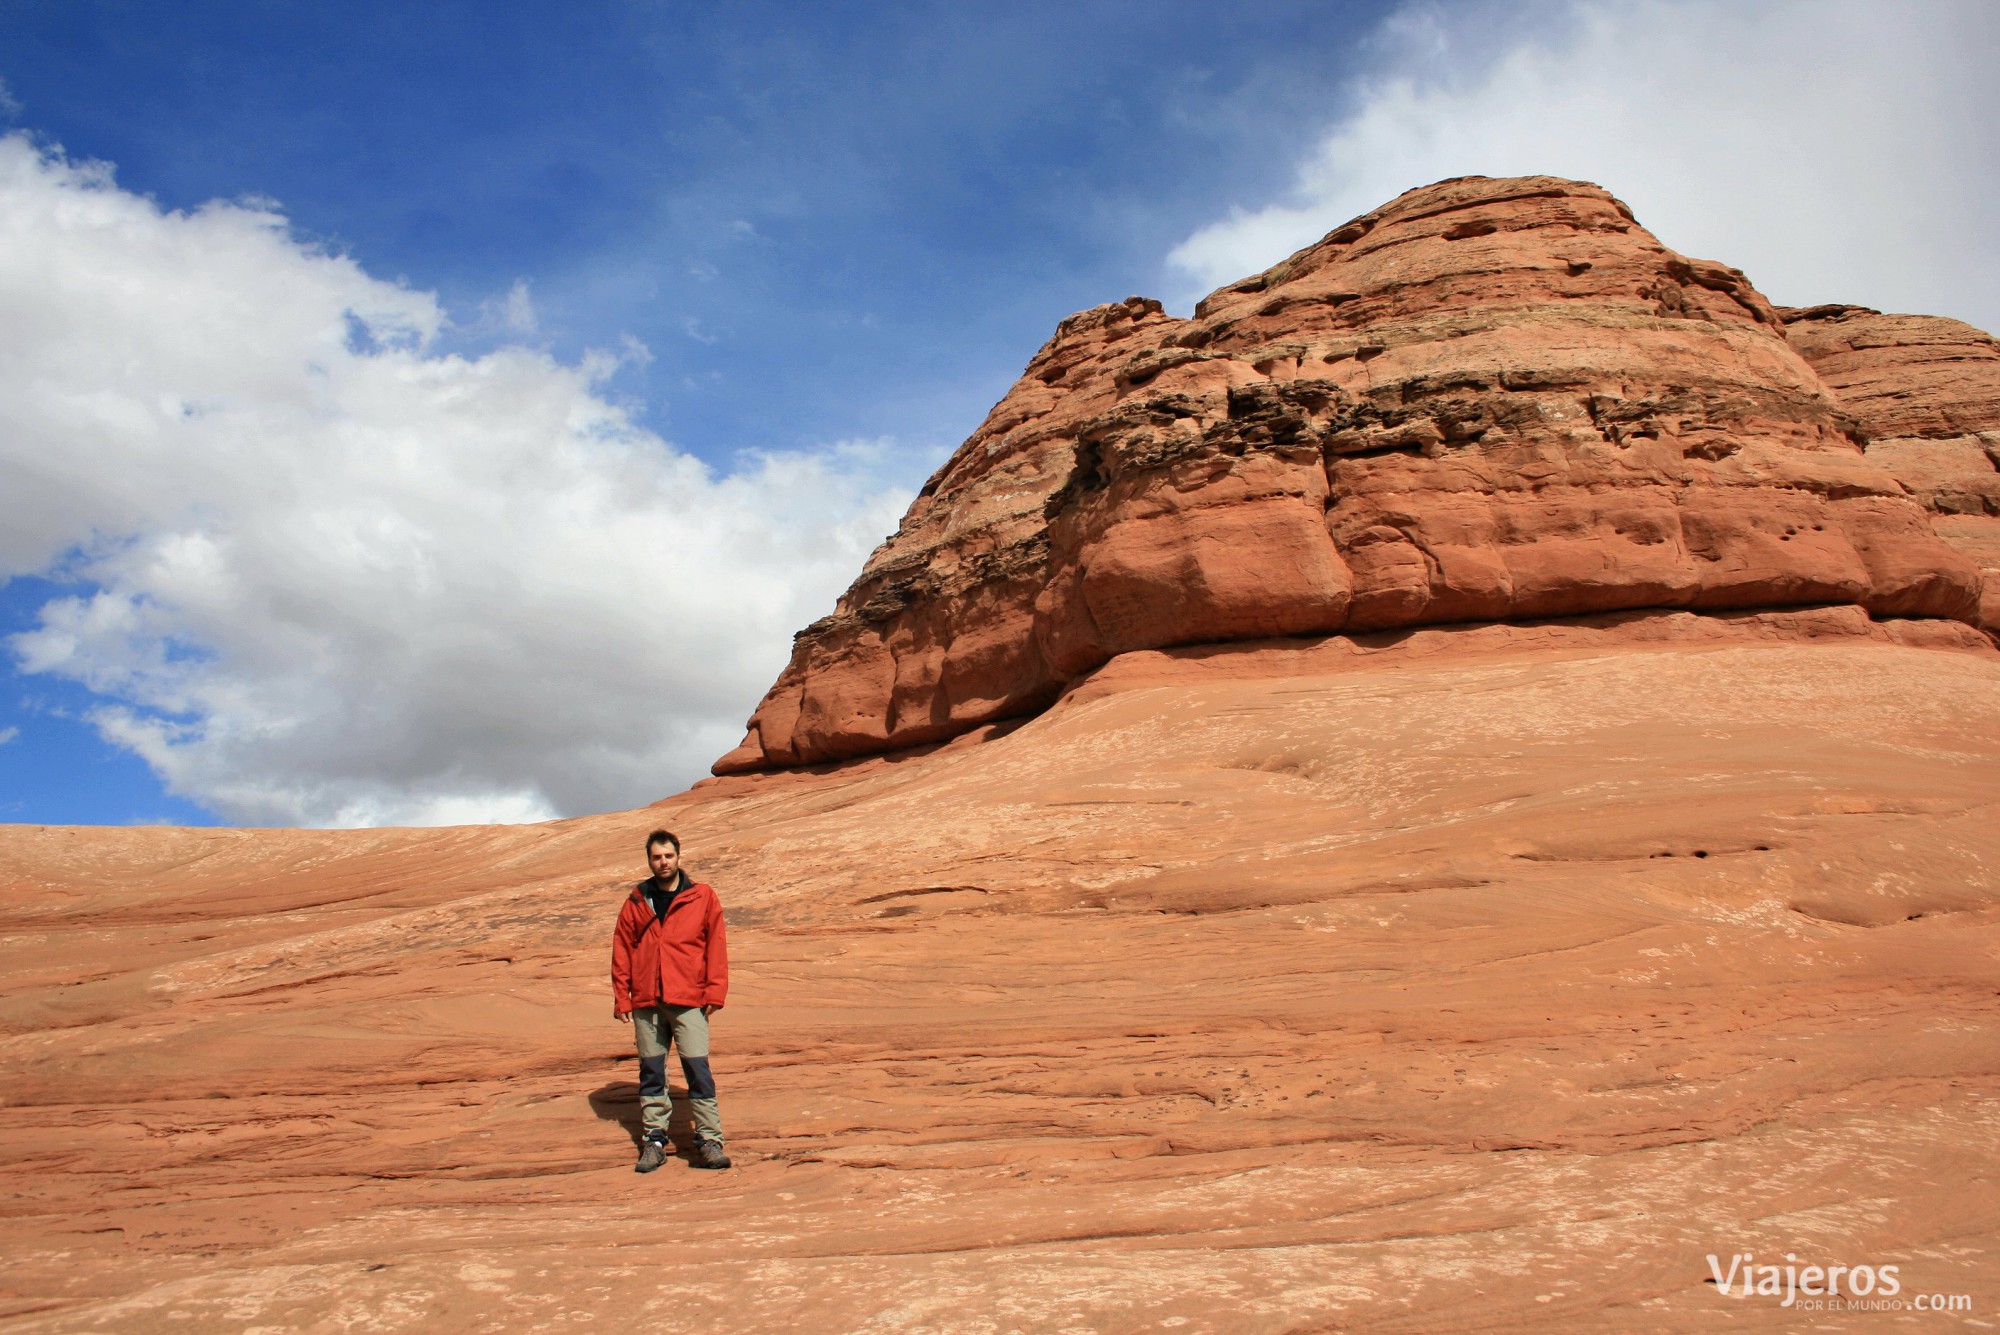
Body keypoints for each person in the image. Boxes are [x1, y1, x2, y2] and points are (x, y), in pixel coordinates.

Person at [611, 828, 731, 1172]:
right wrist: (623, 996)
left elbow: (715, 946)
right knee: (651, 1072)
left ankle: (709, 1139)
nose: (662, 862)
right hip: (647, 1001)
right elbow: (622, 948)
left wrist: (715, 991)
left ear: (679, 857)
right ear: (649, 860)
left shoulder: (702, 896)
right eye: (656, 857)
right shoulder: (637, 900)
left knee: (697, 1069)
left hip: (689, 997)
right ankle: (655, 1141)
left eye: (668, 856)